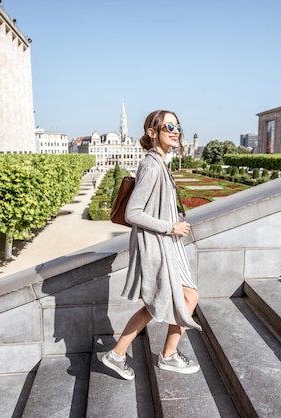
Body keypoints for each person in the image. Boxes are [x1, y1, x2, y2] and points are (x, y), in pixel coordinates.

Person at [102, 110, 201, 380]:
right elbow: (133, 213)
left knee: (161, 302)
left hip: (168, 244)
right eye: (169, 125)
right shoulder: (151, 165)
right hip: (159, 245)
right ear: (152, 132)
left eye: (178, 126)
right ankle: (166, 356)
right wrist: (170, 227)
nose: (176, 130)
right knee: (185, 297)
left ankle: (119, 354)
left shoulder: (160, 163)